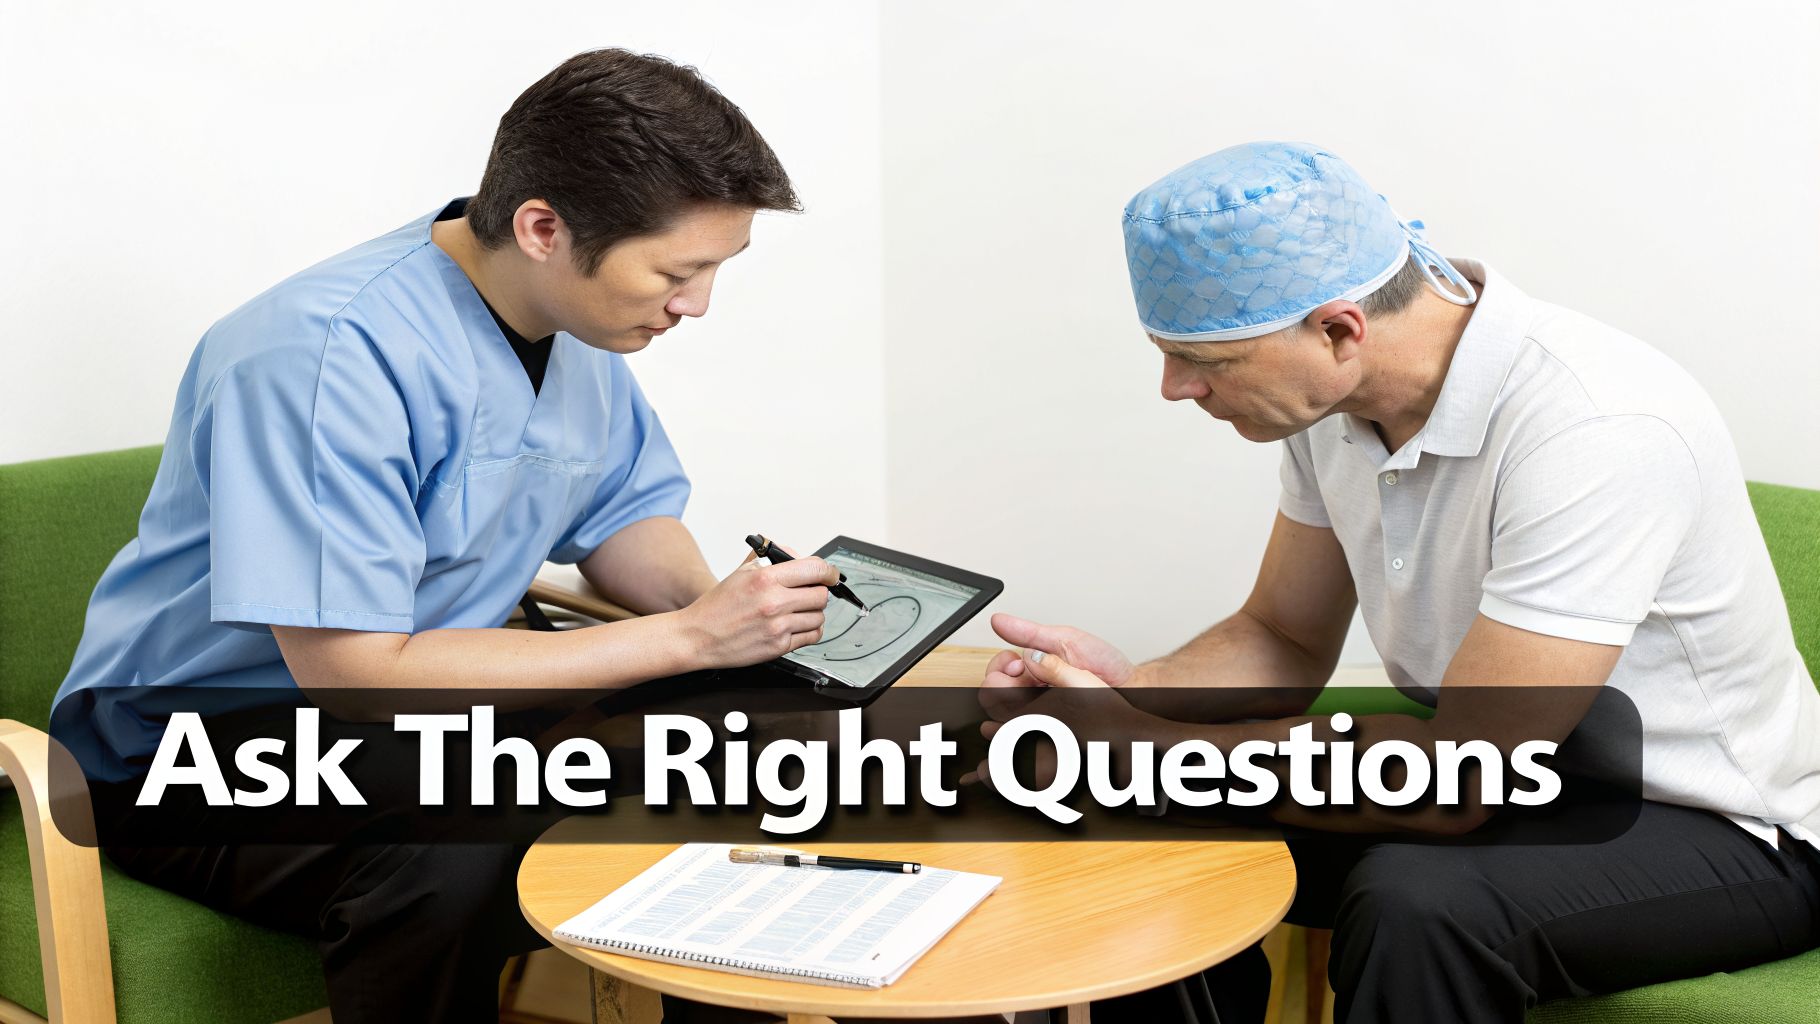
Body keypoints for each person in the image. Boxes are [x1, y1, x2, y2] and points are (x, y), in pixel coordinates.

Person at [52, 49, 842, 1023]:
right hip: (198, 743)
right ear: (543, 227)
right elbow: (352, 673)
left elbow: (623, 514)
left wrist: (734, 621)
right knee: (470, 836)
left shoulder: (577, 327)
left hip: (444, 707)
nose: (696, 304)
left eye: (717, 269)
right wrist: (681, 642)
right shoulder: (324, 350)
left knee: (774, 723)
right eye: (677, 272)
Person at [976, 141, 1820, 1022]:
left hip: (1721, 828)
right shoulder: (1331, 404)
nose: (1175, 388)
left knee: (1419, 899)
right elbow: (1281, 637)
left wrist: (1145, 745)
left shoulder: (1597, 425)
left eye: (1209, 362)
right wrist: (1123, 695)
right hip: (1505, 776)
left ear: (1341, 329)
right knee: (1132, 814)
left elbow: (1464, 778)